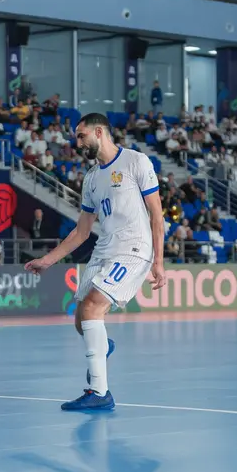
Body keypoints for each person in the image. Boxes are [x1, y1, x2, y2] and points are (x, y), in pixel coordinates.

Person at [24, 113, 166, 411]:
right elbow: (82, 231)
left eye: (81, 135)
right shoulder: (90, 179)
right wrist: (47, 261)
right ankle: (103, 348)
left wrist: (159, 262)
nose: (77, 142)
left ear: (99, 132)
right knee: (82, 319)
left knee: (91, 307)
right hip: (105, 249)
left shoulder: (136, 162)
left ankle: (99, 393)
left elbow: (157, 214)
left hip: (134, 249)